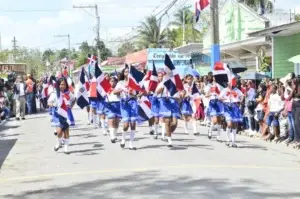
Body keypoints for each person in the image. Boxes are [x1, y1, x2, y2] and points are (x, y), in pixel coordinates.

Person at [114, 66, 139, 150]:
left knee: (133, 124)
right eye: (126, 72)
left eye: (129, 72)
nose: (127, 73)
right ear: (123, 74)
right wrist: (121, 90)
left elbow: (139, 92)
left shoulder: (134, 82)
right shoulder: (120, 83)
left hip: (133, 103)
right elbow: (114, 92)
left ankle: (131, 144)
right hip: (124, 103)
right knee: (125, 125)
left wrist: (134, 94)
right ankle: (123, 139)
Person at [219, 79, 244, 147]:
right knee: (229, 124)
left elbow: (242, 96)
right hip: (227, 108)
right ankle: (227, 140)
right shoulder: (224, 90)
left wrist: (240, 101)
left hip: (235, 108)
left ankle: (233, 142)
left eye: (233, 83)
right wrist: (225, 99)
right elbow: (219, 98)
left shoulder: (236, 90)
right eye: (230, 83)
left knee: (234, 125)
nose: (231, 84)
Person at [53, 77, 75, 154]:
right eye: (61, 84)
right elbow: (49, 102)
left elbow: (74, 99)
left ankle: (66, 148)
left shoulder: (68, 93)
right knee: (59, 132)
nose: (62, 86)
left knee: (66, 131)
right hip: (58, 114)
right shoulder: (55, 93)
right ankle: (58, 143)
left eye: (64, 85)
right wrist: (52, 105)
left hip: (66, 113)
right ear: (58, 85)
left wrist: (71, 106)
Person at [106, 76, 121, 143]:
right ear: (109, 82)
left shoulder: (119, 88)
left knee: (116, 121)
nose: (113, 82)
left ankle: (114, 135)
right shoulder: (106, 88)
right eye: (111, 81)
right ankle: (112, 137)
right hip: (110, 104)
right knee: (111, 120)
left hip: (118, 104)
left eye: (114, 81)